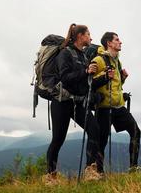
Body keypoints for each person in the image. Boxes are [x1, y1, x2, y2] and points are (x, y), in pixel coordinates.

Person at [43, 24, 105, 184]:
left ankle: (90, 171)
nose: (91, 37)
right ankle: (50, 176)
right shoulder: (65, 53)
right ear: (80, 36)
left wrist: (103, 77)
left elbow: (84, 83)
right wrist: (85, 72)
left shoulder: (83, 56)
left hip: (78, 102)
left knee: (94, 129)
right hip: (61, 102)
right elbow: (65, 77)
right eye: (88, 34)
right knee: (58, 139)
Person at [92, 32, 141, 174]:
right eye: (117, 40)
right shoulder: (98, 60)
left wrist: (123, 78)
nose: (120, 42)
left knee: (136, 132)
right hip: (104, 108)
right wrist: (105, 75)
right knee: (102, 141)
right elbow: (90, 83)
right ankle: (99, 173)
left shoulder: (117, 62)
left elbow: (116, 85)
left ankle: (133, 167)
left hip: (119, 106)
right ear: (109, 43)